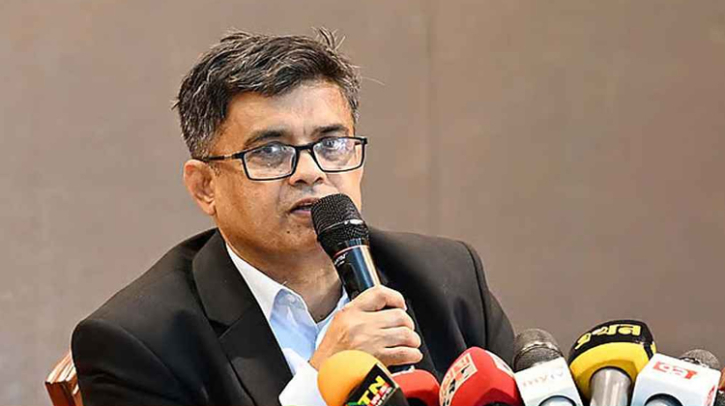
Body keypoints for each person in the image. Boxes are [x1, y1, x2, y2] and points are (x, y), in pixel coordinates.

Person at [71, 29, 514, 406]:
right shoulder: (137, 342)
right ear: (205, 187)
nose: (310, 172)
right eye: (270, 151)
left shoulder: (447, 277)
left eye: (331, 144)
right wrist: (320, 383)